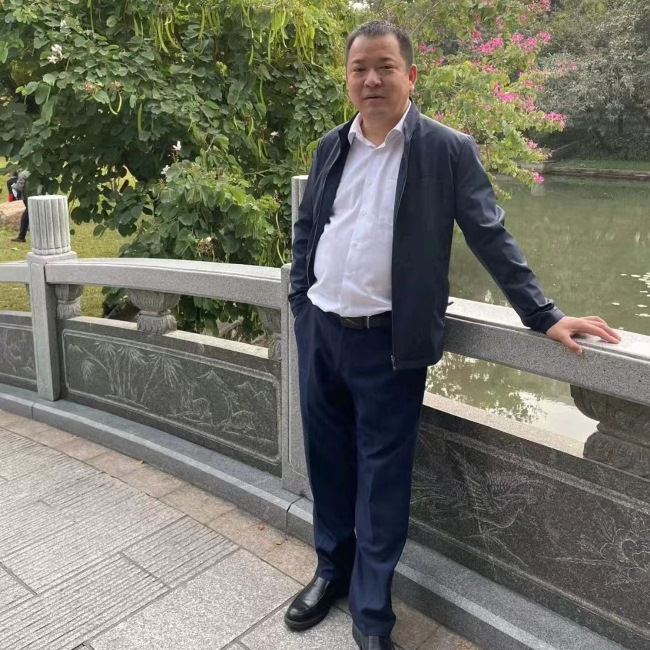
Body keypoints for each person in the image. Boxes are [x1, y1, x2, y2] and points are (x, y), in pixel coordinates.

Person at [285, 20, 621, 650]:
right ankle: (330, 572)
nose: (372, 79)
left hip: (391, 346)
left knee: (382, 482)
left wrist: (544, 315)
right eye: (359, 69)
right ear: (347, 79)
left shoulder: (446, 149)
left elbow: (490, 235)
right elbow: (309, 228)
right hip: (322, 333)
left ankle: (371, 613)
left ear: (410, 75)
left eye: (385, 66)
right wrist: (301, 302)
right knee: (326, 463)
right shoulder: (331, 146)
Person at [9, 170, 30, 243]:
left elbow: (19, 188)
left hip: (28, 197)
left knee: (25, 217)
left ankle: (21, 236)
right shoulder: (37, 170)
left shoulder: (23, 174)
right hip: (41, 196)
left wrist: (13, 186)